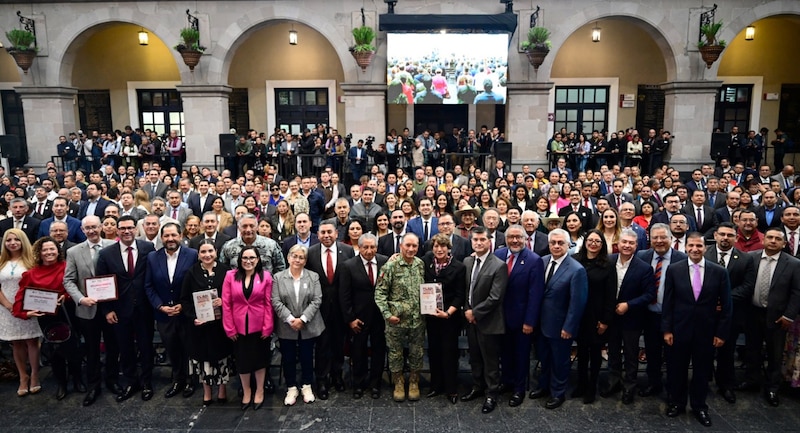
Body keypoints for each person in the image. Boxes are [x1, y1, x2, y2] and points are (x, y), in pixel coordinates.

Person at [662, 232, 732, 427]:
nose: (694, 249)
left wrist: (721, 333)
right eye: (691, 246)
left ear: (705, 248)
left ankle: (700, 406)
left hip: (707, 332)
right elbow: (668, 302)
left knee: (702, 371)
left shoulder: (719, 272)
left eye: (699, 246)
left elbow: (727, 306)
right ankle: (676, 402)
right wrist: (667, 330)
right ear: (685, 248)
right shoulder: (674, 270)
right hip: (679, 330)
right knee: (677, 369)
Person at [96, 215, 157, 403]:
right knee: (125, 347)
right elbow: (101, 283)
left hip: (144, 308)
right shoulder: (107, 254)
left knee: (146, 347)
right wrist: (107, 310)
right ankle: (132, 381)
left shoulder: (148, 248)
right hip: (119, 310)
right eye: (122, 228)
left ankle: (147, 382)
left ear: (136, 229)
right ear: (117, 231)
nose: (127, 231)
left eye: (130, 228)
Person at [14, 237, 81, 401]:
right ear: (39, 252)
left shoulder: (67, 267)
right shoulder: (30, 274)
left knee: (74, 348)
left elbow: (77, 287)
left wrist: (66, 296)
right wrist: (25, 314)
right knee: (55, 351)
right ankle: (62, 384)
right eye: (45, 250)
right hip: (47, 318)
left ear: (58, 251)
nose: (49, 252)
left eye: (53, 249)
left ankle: (78, 380)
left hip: (68, 313)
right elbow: (19, 301)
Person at [739, 228, 800, 407]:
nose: (773, 241)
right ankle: (752, 380)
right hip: (752, 312)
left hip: (778, 316)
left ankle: (772, 387)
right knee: (752, 348)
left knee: (775, 352)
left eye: (777, 239)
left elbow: (797, 292)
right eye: (770, 237)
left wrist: (789, 315)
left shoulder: (794, 264)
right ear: (764, 240)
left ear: (783, 243)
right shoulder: (751, 257)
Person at [63, 216, 120, 406]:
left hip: (111, 308)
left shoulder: (114, 245)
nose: (91, 231)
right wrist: (80, 298)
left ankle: (112, 380)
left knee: (113, 347)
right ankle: (93, 385)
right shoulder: (73, 252)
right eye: (87, 228)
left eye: (94, 227)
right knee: (91, 349)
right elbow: (68, 280)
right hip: (88, 309)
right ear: (82, 229)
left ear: (101, 226)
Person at [529, 228, 588, 409]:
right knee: (544, 358)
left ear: (568, 244)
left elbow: (578, 303)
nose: (556, 246)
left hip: (561, 326)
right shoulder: (542, 261)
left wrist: (569, 327)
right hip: (540, 323)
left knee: (560, 361)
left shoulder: (576, 269)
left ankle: (558, 393)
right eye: (552, 242)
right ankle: (544, 387)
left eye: (560, 243)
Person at [144, 222, 198, 399]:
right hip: (164, 314)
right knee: (172, 348)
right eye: (166, 236)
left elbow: (196, 283)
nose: (170, 239)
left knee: (188, 347)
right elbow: (148, 286)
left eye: (173, 235)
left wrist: (184, 304)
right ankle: (177, 379)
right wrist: (160, 306)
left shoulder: (192, 255)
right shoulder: (153, 257)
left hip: (185, 312)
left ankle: (191, 380)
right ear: (161, 238)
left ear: (180, 236)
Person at [603, 229, 654, 405]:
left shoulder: (644, 267)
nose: (627, 245)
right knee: (613, 352)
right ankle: (613, 382)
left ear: (636, 246)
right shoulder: (608, 261)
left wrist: (629, 305)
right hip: (611, 317)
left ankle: (629, 387)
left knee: (631, 355)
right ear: (618, 243)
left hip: (632, 318)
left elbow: (649, 294)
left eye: (631, 243)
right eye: (624, 242)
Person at [635, 223, 687, 399]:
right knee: (652, 351)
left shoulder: (682, 259)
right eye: (655, 237)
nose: (659, 241)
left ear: (671, 238)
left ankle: (674, 388)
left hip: (672, 316)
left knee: (674, 355)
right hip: (648, 314)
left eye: (663, 237)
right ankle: (653, 383)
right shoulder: (642, 256)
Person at [494, 224, 544, 407]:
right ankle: (507, 382)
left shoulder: (534, 260)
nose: (514, 240)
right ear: (505, 239)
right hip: (500, 318)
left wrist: (530, 321)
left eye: (518, 237)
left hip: (522, 319)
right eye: (511, 237)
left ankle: (519, 388)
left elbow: (535, 294)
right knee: (505, 353)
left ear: (525, 239)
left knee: (521, 355)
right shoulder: (498, 255)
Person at [705, 223, 754, 404]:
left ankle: (726, 385)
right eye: (722, 234)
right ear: (715, 235)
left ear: (736, 237)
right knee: (704, 350)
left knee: (727, 351)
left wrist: (723, 300)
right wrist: (712, 301)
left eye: (730, 235)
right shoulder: (704, 253)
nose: (725, 238)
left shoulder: (745, 259)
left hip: (730, 313)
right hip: (706, 312)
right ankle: (703, 382)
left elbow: (747, 286)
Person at [179, 240, 233, 406]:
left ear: (216, 252)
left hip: (220, 325)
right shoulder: (191, 272)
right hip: (200, 326)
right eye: (203, 252)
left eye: (210, 251)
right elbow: (184, 300)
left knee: (222, 357)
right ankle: (207, 392)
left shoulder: (226, 271)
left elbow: (234, 295)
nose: (207, 255)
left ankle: (222, 390)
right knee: (203, 360)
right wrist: (193, 317)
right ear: (198, 254)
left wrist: (224, 301)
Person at [304, 222, 355, 399]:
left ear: (336, 233)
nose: (326, 235)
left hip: (341, 308)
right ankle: (322, 380)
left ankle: (337, 376)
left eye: (329, 232)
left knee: (339, 344)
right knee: (322, 345)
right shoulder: (310, 253)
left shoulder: (347, 251)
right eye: (323, 232)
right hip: (319, 308)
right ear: (317, 235)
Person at [460, 227, 507, 414]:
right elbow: (465, 290)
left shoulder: (498, 265)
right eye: (475, 240)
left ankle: (491, 393)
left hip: (488, 321)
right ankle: (477, 387)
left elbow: (496, 297)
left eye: (482, 240)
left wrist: (475, 312)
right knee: (475, 357)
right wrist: (466, 310)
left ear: (489, 242)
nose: (478, 243)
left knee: (490, 360)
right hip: (470, 320)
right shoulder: (467, 261)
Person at [221, 246, 274, 411]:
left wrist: (267, 327)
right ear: (240, 259)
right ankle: (246, 391)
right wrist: (229, 328)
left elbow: (268, 303)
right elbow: (226, 302)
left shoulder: (265, 277)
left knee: (259, 360)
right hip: (238, 327)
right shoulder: (230, 276)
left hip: (259, 327)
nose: (248, 261)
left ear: (258, 260)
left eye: (252, 258)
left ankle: (259, 390)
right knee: (242, 361)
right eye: (245, 258)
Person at [375, 233, 425, 402]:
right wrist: (387, 315)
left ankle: (413, 382)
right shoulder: (390, 266)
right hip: (396, 321)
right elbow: (380, 293)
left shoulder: (420, 264)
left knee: (416, 352)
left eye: (414, 246)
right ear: (401, 246)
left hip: (417, 319)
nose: (411, 249)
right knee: (395, 353)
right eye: (408, 245)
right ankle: (398, 382)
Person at [272, 244, 324, 406]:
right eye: (294, 256)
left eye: (301, 257)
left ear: (305, 260)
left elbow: (317, 300)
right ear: (288, 258)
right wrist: (290, 319)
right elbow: (275, 301)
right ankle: (292, 387)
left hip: (308, 324)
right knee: (288, 357)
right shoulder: (278, 277)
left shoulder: (313, 276)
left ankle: (307, 385)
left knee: (307, 356)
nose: (297, 259)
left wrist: (302, 319)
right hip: (286, 326)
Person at [419, 233, 465, 404]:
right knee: (434, 351)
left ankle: (451, 389)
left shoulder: (458, 267)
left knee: (449, 352)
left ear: (448, 248)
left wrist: (448, 312)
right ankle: (436, 386)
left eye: (443, 246)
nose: (439, 249)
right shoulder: (426, 263)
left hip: (449, 317)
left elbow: (460, 295)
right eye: (436, 246)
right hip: (431, 316)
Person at [571, 229, 616, 404]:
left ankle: (591, 387)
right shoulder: (575, 261)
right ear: (585, 242)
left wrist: (605, 320)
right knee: (581, 352)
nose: (593, 243)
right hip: (579, 314)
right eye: (590, 240)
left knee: (595, 353)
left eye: (598, 241)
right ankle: (581, 384)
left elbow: (610, 294)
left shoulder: (608, 264)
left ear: (602, 244)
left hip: (597, 316)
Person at [0, 229, 39, 397]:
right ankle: (23, 376)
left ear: (23, 241)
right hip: (7, 307)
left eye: (16, 239)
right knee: (16, 343)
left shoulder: (33, 261)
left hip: (29, 307)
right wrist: (9, 305)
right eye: (9, 240)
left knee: (32, 341)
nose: (13, 242)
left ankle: (35, 376)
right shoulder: (1, 262)